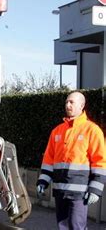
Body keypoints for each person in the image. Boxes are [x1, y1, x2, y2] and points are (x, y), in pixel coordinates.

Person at [36, 91, 106, 230]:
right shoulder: (57, 131)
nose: (68, 105)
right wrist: (43, 181)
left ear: (82, 105)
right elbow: (49, 160)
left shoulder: (92, 130)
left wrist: (95, 189)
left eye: (71, 102)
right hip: (60, 190)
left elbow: (100, 161)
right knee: (63, 227)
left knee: (76, 226)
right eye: (66, 102)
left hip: (80, 192)